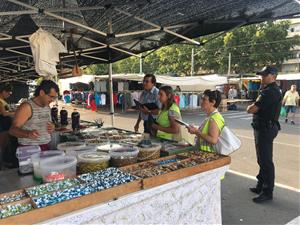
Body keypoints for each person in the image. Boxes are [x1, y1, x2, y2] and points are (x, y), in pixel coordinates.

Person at [247, 66, 282, 203]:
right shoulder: (269, 90)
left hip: (265, 129)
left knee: (265, 161)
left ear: (273, 76)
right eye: (262, 75)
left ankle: (267, 191)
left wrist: (251, 107)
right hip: (264, 128)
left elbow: (252, 109)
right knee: (262, 159)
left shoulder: (270, 92)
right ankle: (261, 184)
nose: (262, 77)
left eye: (265, 75)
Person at [9, 80, 59, 151]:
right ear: (42, 93)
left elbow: (47, 123)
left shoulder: (47, 106)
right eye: (51, 96)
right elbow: (12, 130)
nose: (52, 100)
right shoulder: (27, 107)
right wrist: (28, 134)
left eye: (54, 97)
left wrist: (52, 127)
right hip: (29, 149)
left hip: (45, 146)